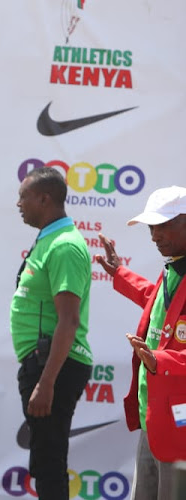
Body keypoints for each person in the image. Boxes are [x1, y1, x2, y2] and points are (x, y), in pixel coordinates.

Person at [94, 185, 186, 500]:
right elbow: (156, 301)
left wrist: (159, 360)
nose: (154, 235)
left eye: (163, 225)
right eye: (151, 227)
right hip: (156, 415)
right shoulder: (174, 268)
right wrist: (120, 273)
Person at [11, 167, 93, 500]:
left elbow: (69, 320)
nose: (18, 204)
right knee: (45, 460)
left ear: (44, 199)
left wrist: (46, 384)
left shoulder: (64, 246)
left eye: (23, 197)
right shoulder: (49, 238)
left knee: (49, 462)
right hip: (44, 364)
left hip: (53, 368)